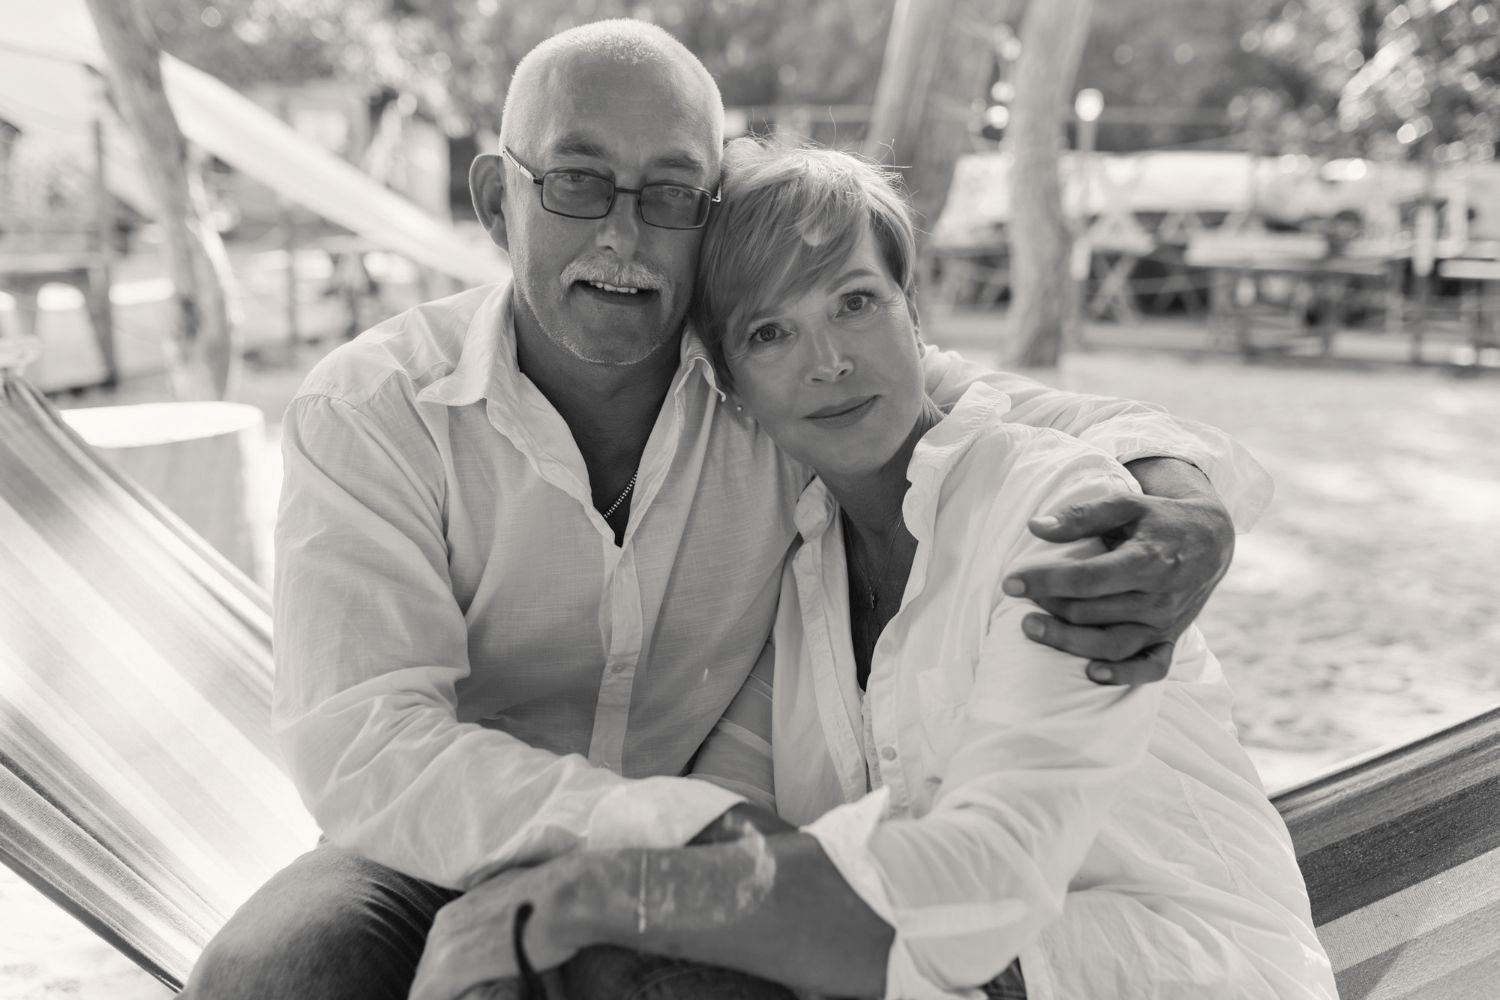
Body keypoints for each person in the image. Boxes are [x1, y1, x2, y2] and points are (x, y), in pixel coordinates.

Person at [181, 19, 1273, 999]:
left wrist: (1183, 495)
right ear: (492, 199)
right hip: (449, 839)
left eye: (669, 194)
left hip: (734, 859)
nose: (624, 234)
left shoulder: (767, 389)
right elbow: (368, 746)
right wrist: (665, 843)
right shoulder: (377, 408)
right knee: (275, 970)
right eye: (576, 181)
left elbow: (989, 410)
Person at [409, 139, 1335, 1000]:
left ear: (914, 317)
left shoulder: (1058, 516)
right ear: (730, 389)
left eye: (855, 302)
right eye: (771, 333)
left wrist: (589, 898)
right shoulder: (801, 575)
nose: (830, 363)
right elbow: (733, 816)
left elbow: (987, 885)